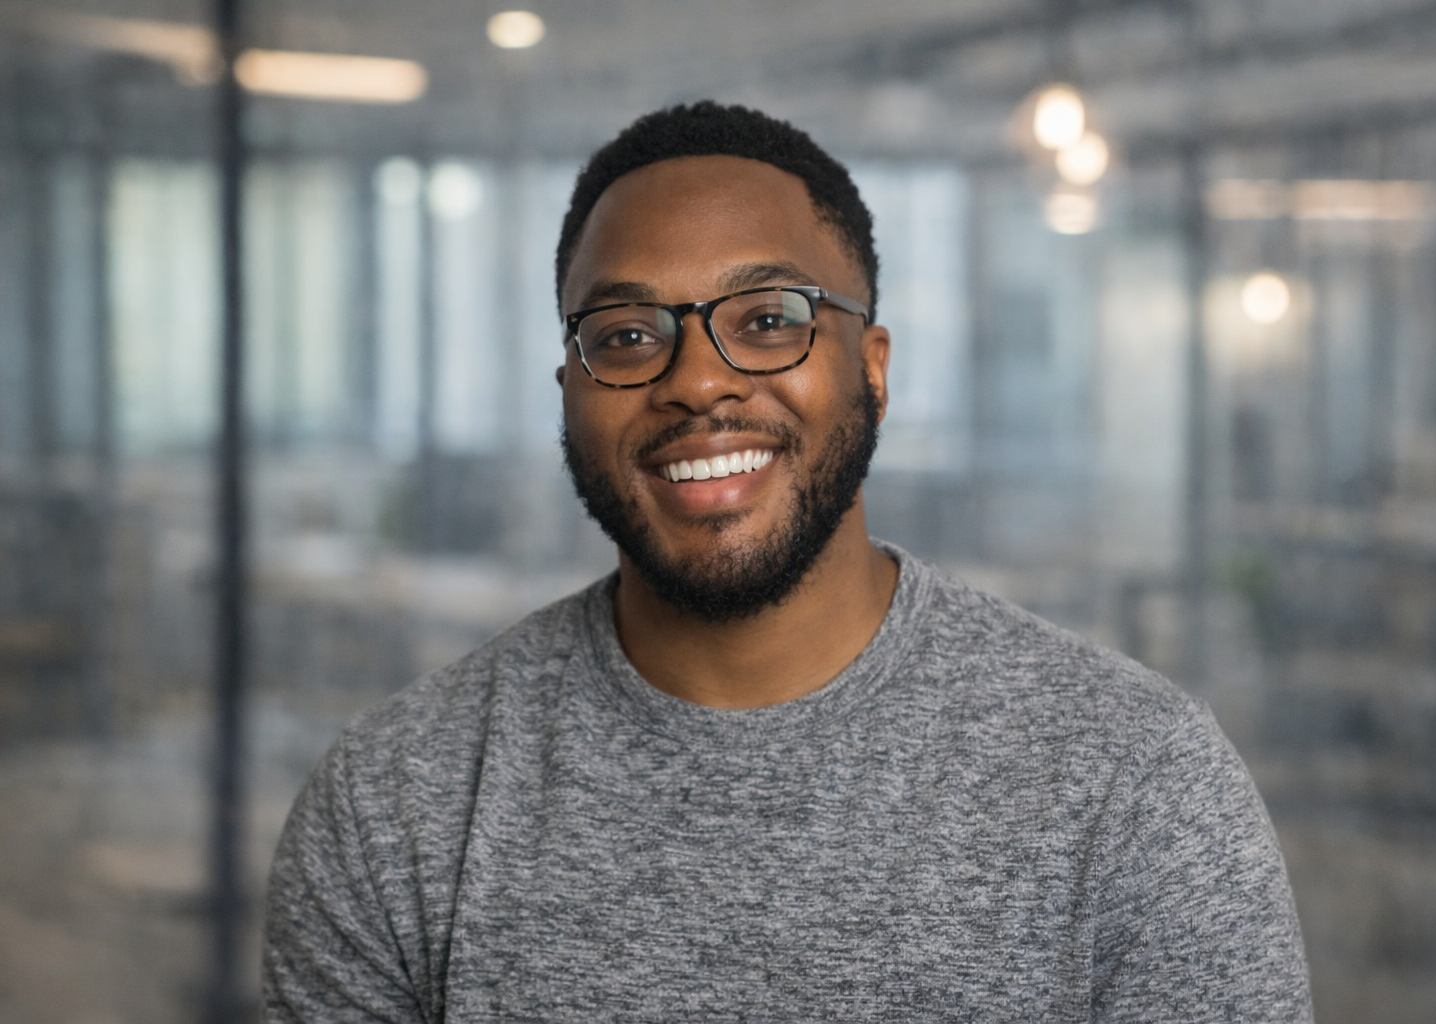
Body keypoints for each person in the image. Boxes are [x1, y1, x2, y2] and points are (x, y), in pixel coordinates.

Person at [262, 101, 1312, 1023]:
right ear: (570, 391)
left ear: (874, 370)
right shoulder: (393, 806)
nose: (697, 382)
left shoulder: (1137, 785)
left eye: (768, 320)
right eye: (626, 336)